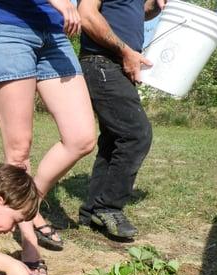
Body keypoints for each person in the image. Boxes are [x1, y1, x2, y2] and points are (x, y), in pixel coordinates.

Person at [0, 0, 97, 275]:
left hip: (54, 34)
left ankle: (29, 204)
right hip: (8, 28)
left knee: (82, 138)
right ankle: (28, 241)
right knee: (18, 152)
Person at [77, 0, 165, 239]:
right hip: (102, 61)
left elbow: (139, 12)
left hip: (118, 64)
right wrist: (125, 51)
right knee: (137, 134)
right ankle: (109, 207)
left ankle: (93, 210)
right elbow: (86, 15)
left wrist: (154, 7)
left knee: (113, 139)